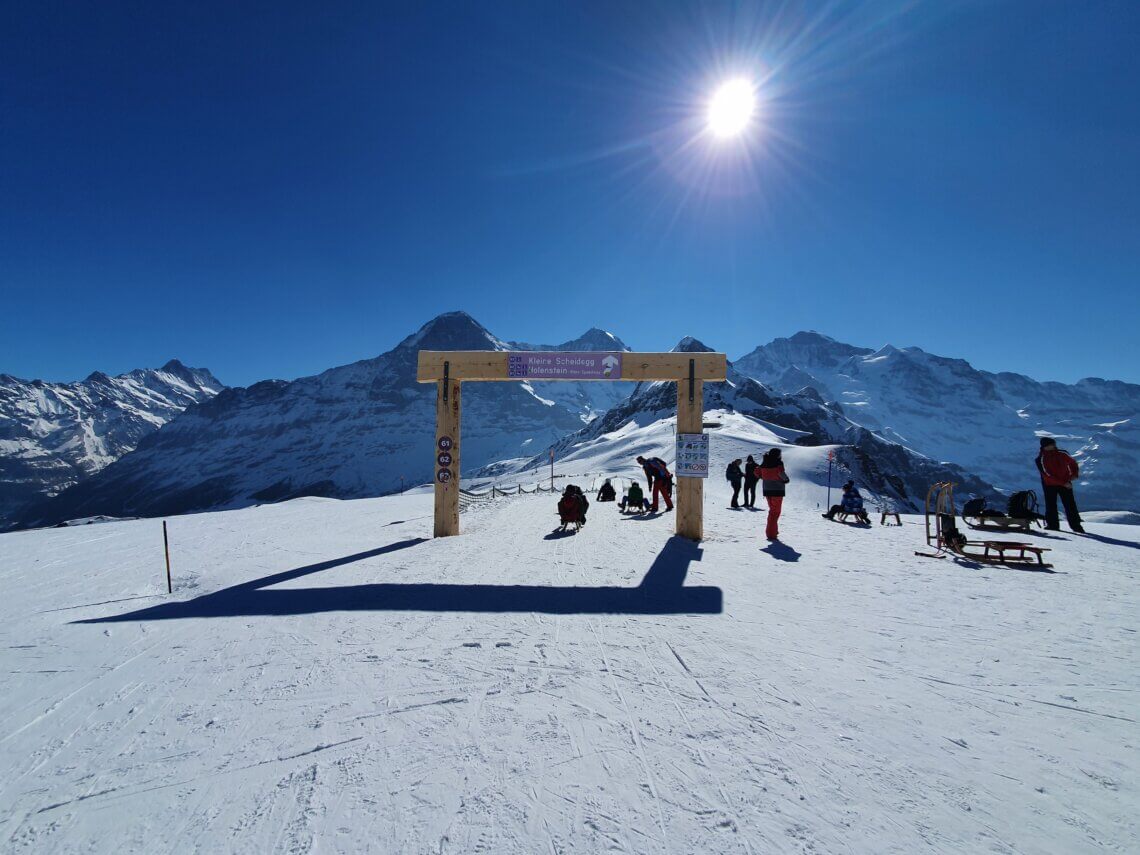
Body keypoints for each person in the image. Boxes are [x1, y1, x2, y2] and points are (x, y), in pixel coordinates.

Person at [1035, 437, 1084, 533]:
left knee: (1070, 505)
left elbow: (1073, 463)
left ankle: (1076, 526)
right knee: (1051, 505)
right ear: (1044, 446)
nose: (1052, 446)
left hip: (1065, 482)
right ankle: (1053, 526)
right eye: (1050, 445)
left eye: (1053, 444)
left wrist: (1074, 475)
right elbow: (1047, 475)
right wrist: (1064, 483)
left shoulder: (1063, 453)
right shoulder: (1040, 459)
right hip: (1049, 485)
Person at [758, 448, 790, 540]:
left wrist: (764, 477)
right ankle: (771, 534)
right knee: (775, 512)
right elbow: (781, 474)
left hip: (767, 490)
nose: (781, 455)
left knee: (772, 511)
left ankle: (773, 531)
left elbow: (757, 472)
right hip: (777, 490)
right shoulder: (778, 463)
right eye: (780, 454)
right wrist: (786, 480)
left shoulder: (765, 462)